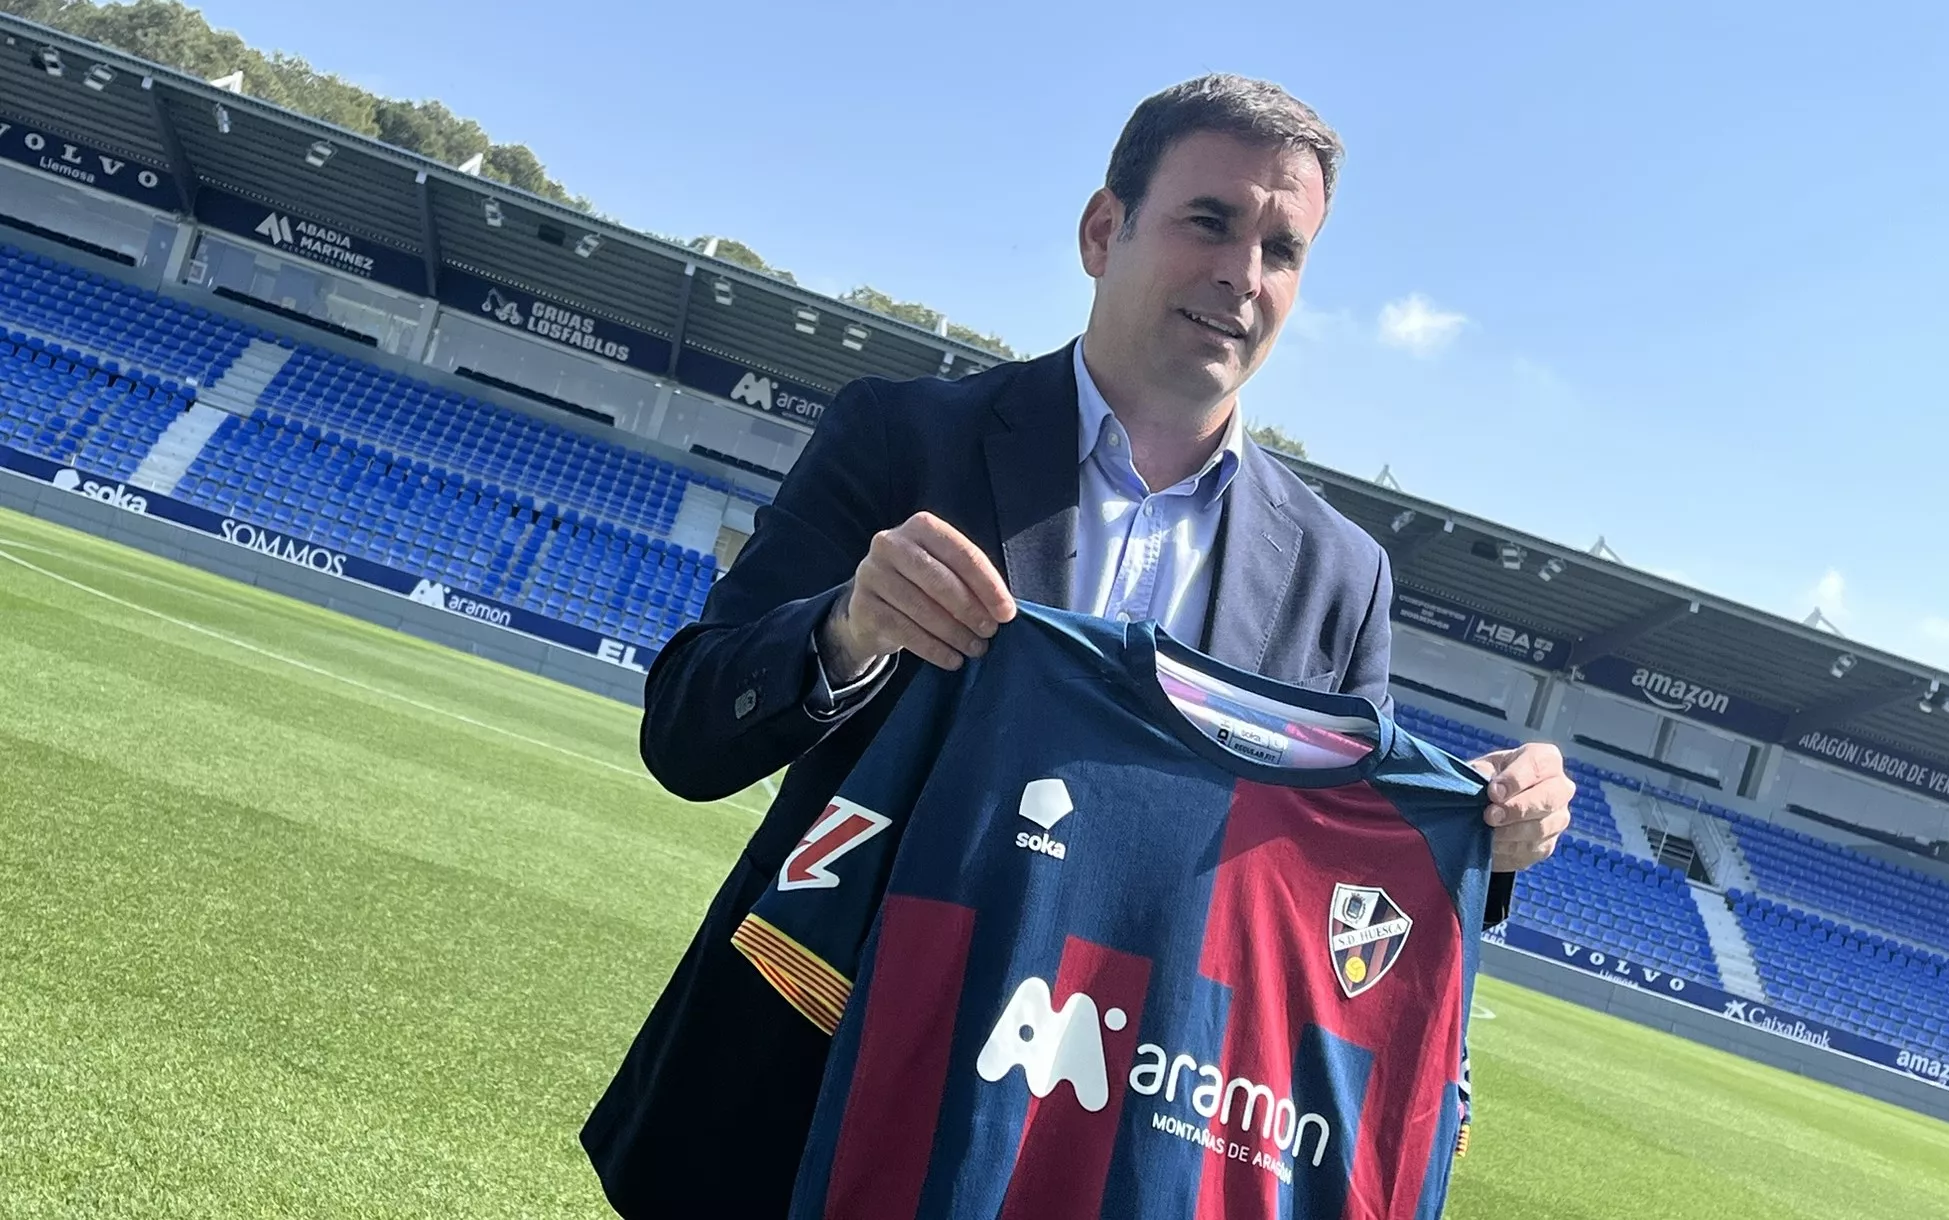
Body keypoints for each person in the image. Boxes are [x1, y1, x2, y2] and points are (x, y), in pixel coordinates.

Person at [582, 73, 1575, 1219]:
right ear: (1103, 230)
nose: (1240, 276)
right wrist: (849, 626)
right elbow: (686, 734)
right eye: (1208, 220)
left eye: (1281, 249)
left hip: (1098, 1145)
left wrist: (1488, 834)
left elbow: (1319, 887)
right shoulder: (904, 438)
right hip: (805, 1096)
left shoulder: (1337, 574)